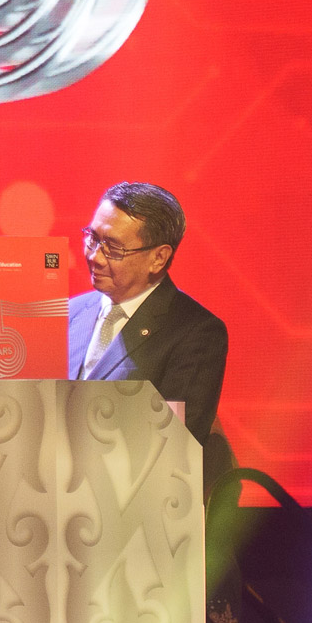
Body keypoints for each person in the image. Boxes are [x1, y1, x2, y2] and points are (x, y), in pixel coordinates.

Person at [68, 182, 228, 445]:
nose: (95, 256)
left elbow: (174, 438)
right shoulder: (69, 313)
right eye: (93, 238)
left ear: (158, 258)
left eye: (113, 248)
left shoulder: (197, 333)